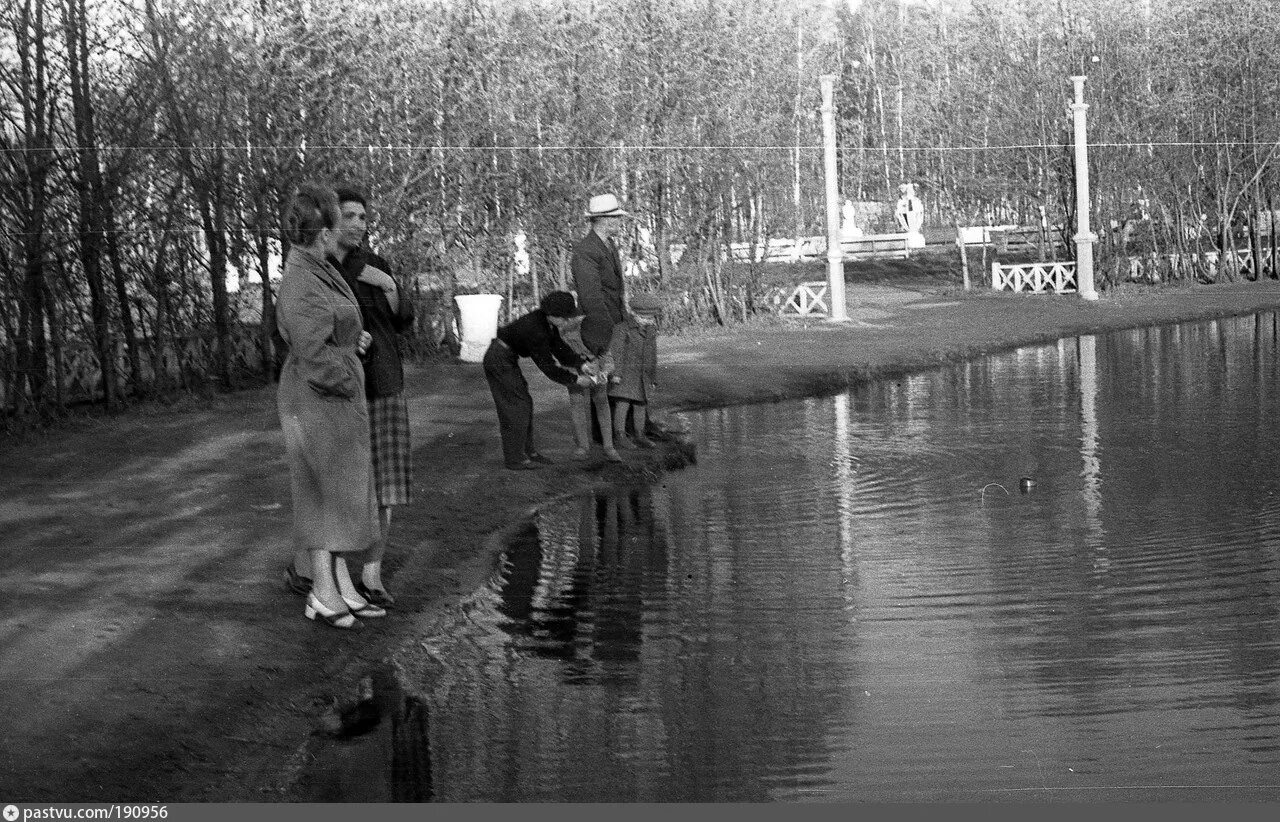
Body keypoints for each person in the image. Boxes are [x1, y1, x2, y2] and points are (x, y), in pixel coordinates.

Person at [275, 182, 384, 630]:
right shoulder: (300, 277)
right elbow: (312, 352)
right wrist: (347, 380)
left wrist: (351, 341)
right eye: (337, 222)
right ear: (321, 231)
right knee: (323, 494)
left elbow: (331, 326)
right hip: (319, 397)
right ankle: (322, 592)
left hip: (330, 397)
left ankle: (330, 589)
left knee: (334, 494)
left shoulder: (318, 267)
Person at [326, 186, 413, 609]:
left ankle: (372, 574)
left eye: (363, 216)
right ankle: (322, 573)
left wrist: (390, 287)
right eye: (349, 215)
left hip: (384, 383)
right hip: (339, 389)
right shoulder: (319, 266)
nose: (359, 223)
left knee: (386, 487)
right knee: (340, 486)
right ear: (330, 219)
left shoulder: (376, 265)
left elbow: (403, 321)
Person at [483, 291, 594, 470]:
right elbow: (547, 366)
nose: (566, 322)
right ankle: (515, 459)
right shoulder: (535, 329)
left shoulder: (545, 322)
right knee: (516, 406)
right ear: (552, 314)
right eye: (564, 318)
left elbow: (559, 348)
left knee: (524, 403)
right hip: (498, 359)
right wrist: (575, 380)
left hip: (506, 357)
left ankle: (528, 452)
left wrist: (581, 365)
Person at [608, 295, 662, 449]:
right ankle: (620, 436)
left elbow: (652, 356)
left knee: (641, 404)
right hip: (625, 374)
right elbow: (616, 352)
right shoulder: (622, 329)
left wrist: (653, 377)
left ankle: (640, 435)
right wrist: (616, 373)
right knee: (623, 404)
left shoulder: (651, 330)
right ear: (635, 315)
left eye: (651, 317)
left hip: (643, 375)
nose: (649, 320)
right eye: (645, 317)